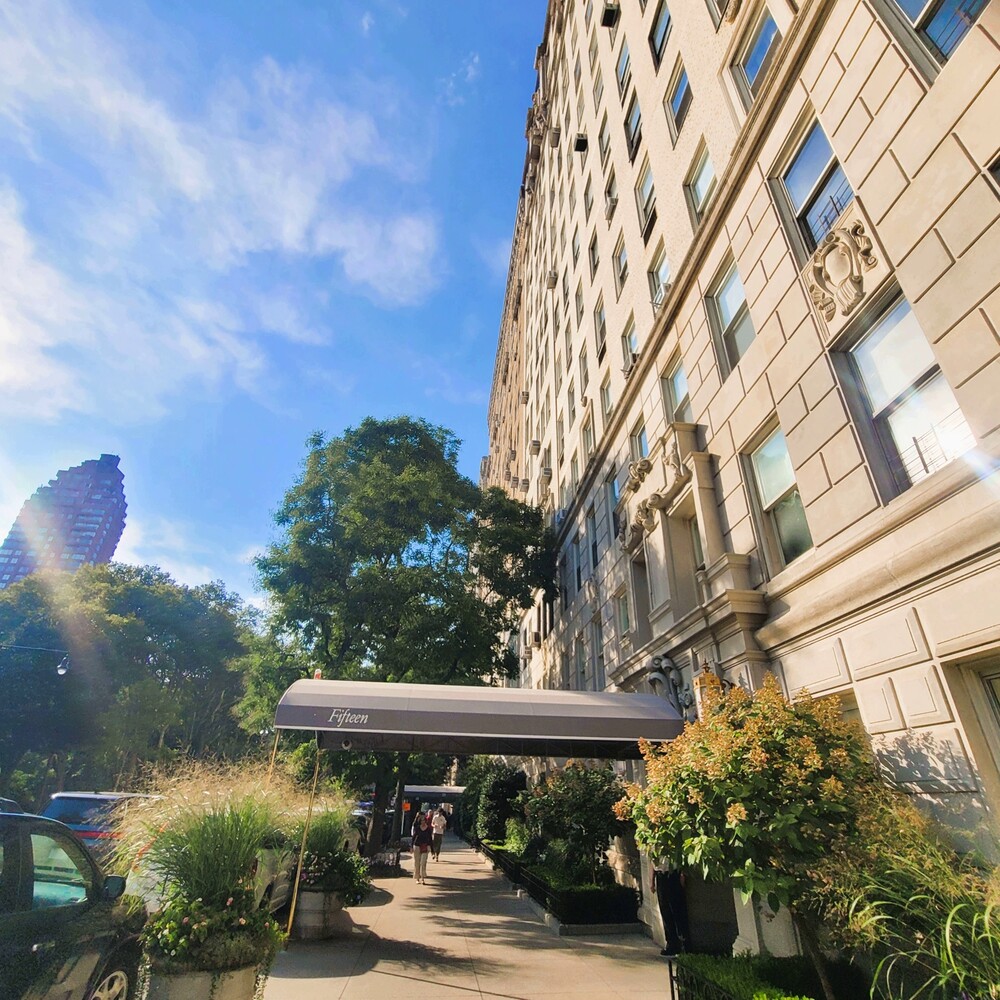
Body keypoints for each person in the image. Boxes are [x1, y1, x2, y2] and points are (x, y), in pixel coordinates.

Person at [650, 857, 689, 958]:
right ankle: (671, 944)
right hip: (660, 876)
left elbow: (681, 855)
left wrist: (682, 874)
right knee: (665, 911)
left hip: (673, 875)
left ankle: (684, 944)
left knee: (678, 910)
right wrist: (652, 881)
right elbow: (652, 860)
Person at [412, 816, 433, 884]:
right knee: (417, 862)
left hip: (425, 846)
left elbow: (430, 838)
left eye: (424, 820)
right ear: (420, 821)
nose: (423, 822)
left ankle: (423, 878)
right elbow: (414, 837)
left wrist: (431, 848)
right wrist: (411, 846)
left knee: (423, 862)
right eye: (422, 821)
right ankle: (417, 878)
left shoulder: (428, 829)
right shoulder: (417, 828)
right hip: (417, 846)